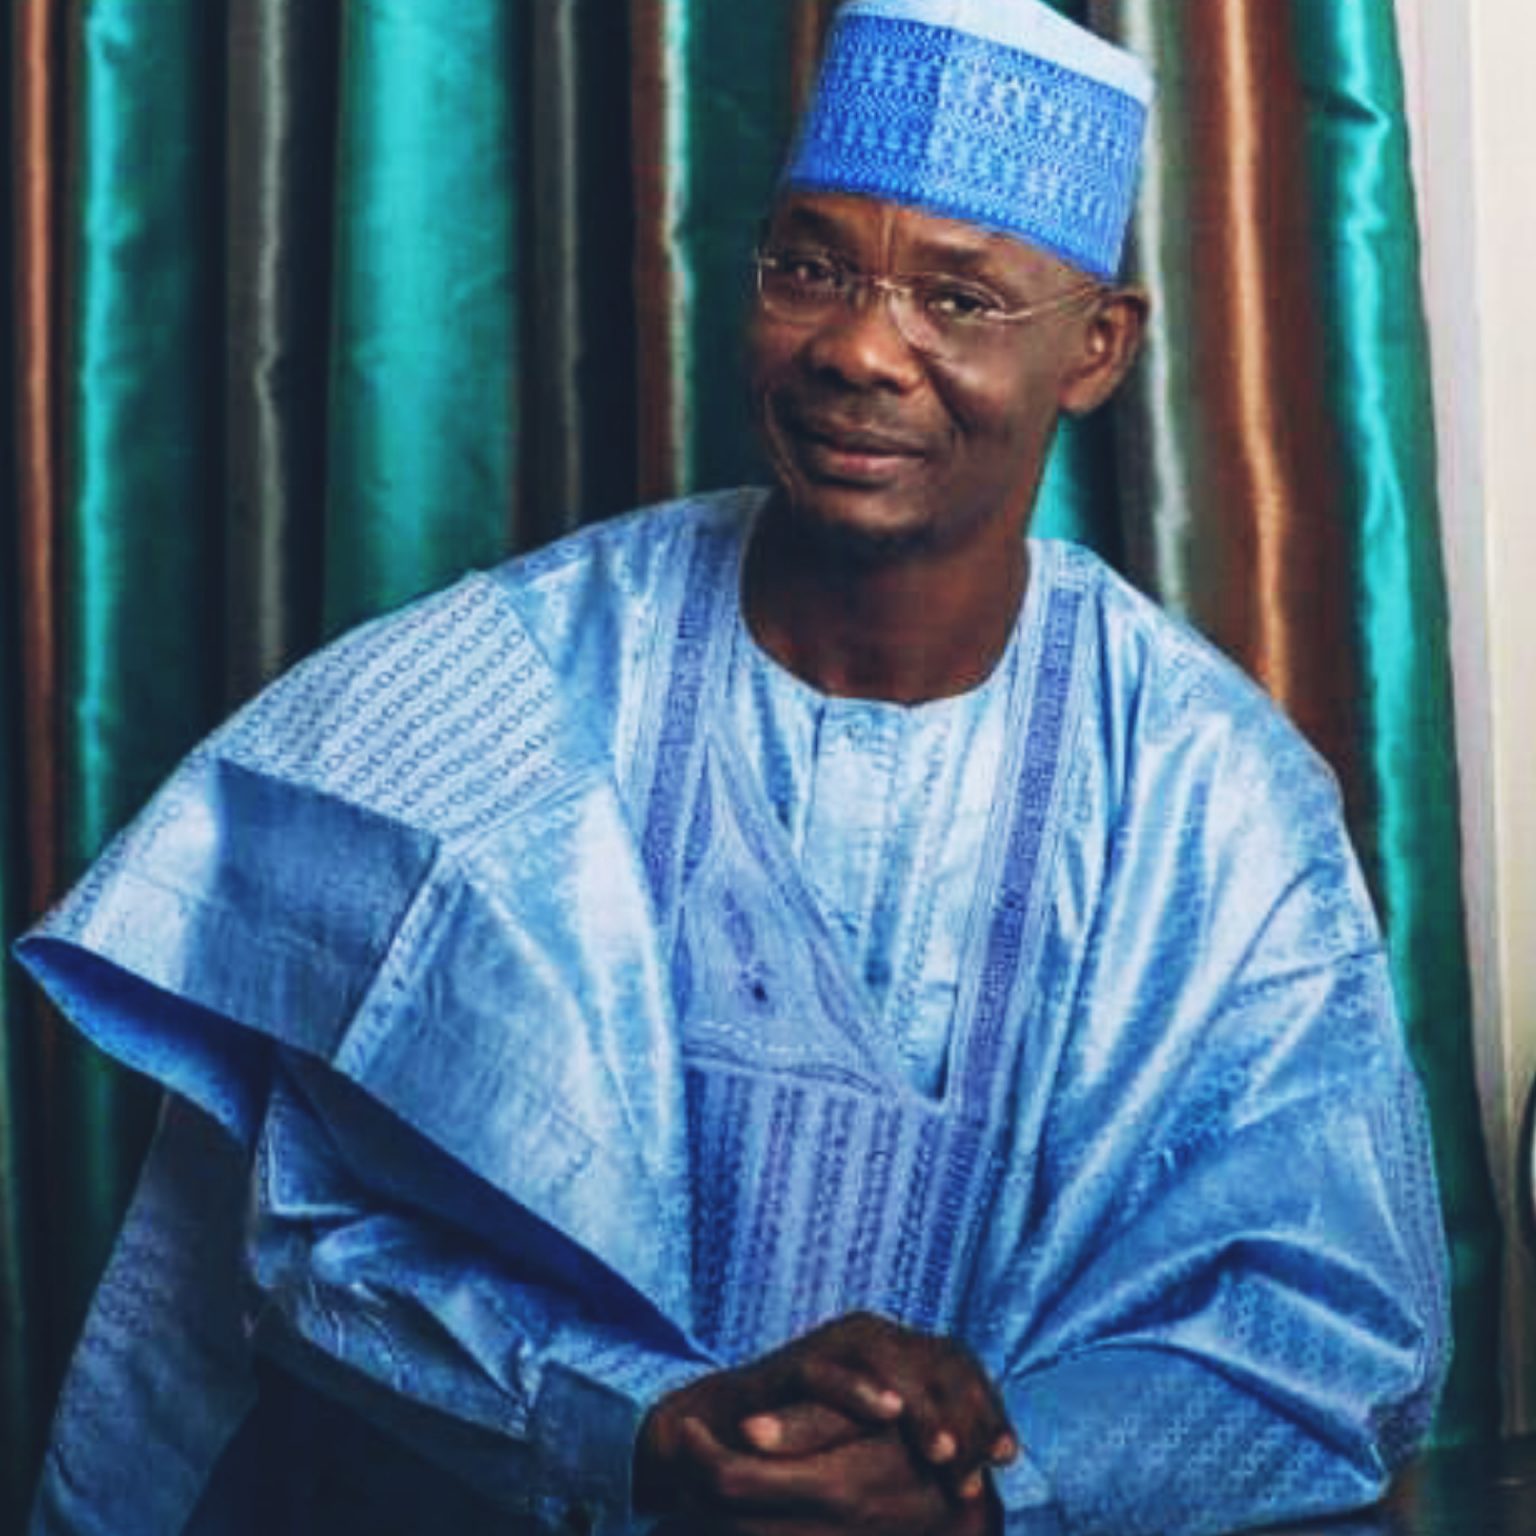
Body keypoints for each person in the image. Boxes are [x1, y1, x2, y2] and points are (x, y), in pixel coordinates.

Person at [18, 2, 1449, 1533]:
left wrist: (988, 1486)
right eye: (810, 268)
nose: (861, 350)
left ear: (1096, 348)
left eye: (959, 299)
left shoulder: (1212, 799)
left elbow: (1332, 1338)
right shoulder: (489, 695)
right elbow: (293, 1231)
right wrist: (636, 1425)